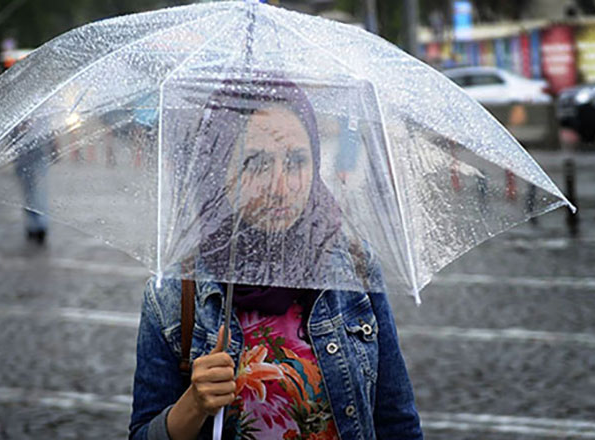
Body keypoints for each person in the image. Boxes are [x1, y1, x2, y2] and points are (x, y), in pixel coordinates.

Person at [129, 76, 423, 440]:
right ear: (219, 168)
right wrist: (192, 405)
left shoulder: (352, 268)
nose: (281, 187)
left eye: (297, 161)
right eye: (258, 163)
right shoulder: (174, 294)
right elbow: (142, 433)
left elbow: (397, 422)